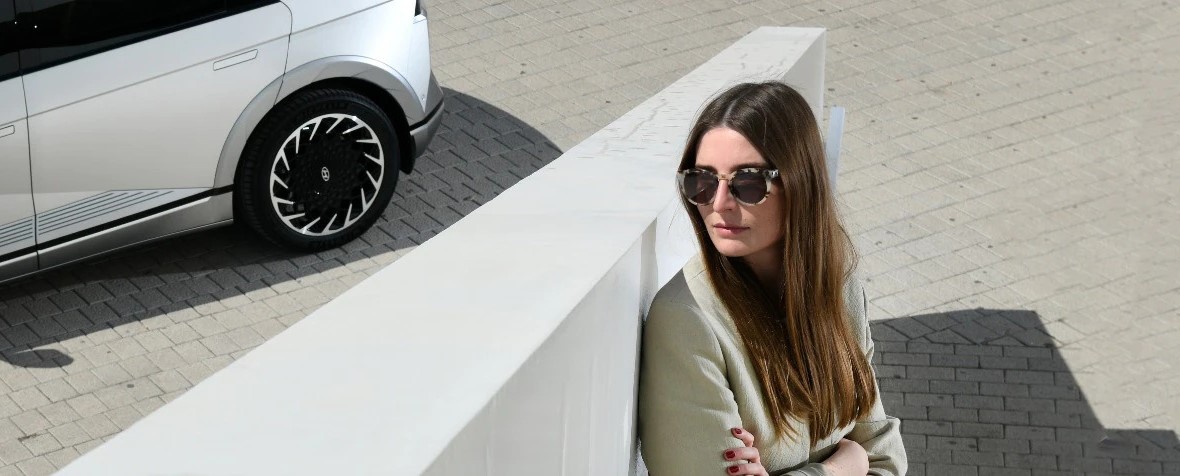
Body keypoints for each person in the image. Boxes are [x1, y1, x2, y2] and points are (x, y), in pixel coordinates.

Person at [638, 81, 907, 476]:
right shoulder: (687, 320)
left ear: (800, 183)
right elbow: (865, 456)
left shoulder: (839, 289)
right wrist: (838, 469)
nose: (719, 203)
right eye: (703, 181)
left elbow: (886, 460)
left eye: (748, 182)